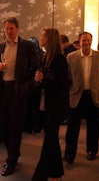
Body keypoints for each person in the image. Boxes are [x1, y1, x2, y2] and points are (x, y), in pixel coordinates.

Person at [0, 17, 39, 176]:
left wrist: (28, 86)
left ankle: (11, 160)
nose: (9, 31)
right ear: (4, 30)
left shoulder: (27, 46)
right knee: (0, 126)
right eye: (7, 29)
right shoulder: (0, 47)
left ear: (17, 29)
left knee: (15, 127)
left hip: (18, 90)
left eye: (12, 28)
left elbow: (35, 67)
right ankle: (14, 151)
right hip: (3, 89)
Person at [63, 32, 99, 164]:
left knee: (94, 126)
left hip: (94, 97)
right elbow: (67, 77)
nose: (86, 43)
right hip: (76, 97)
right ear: (79, 42)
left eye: (88, 40)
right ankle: (70, 153)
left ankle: (91, 150)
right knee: (72, 127)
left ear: (92, 41)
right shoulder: (71, 57)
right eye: (83, 40)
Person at [32, 28, 70, 181]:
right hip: (45, 104)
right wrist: (38, 80)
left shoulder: (59, 59)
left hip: (55, 106)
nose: (40, 38)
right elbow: (43, 82)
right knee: (52, 140)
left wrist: (44, 78)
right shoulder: (45, 57)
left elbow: (63, 84)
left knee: (49, 142)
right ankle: (56, 172)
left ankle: (40, 176)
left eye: (43, 36)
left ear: (49, 39)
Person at [25, 36, 45, 134]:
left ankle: (32, 126)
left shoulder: (28, 55)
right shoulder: (43, 54)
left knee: (31, 105)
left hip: (31, 82)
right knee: (37, 106)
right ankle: (37, 125)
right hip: (38, 83)